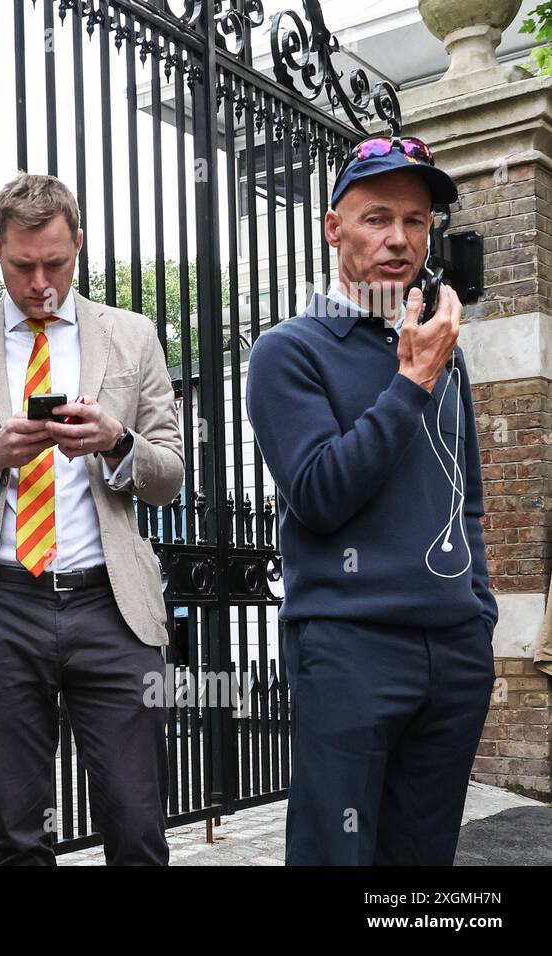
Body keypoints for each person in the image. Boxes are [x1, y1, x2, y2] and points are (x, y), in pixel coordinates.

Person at [0, 172, 184, 865]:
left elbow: (172, 475)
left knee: (136, 821)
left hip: (112, 608)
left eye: (57, 264)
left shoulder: (132, 336)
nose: (41, 283)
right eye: (23, 265)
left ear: (79, 246)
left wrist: (117, 443)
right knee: (16, 833)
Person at [245, 135, 498, 865]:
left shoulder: (440, 351)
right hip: (350, 648)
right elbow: (321, 494)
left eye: (416, 221)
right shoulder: (289, 351)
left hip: (453, 651)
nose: (400, 239)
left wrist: (477, 615)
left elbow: (466, 500)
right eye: (377, 217)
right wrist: (410, 383)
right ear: (334, 228)